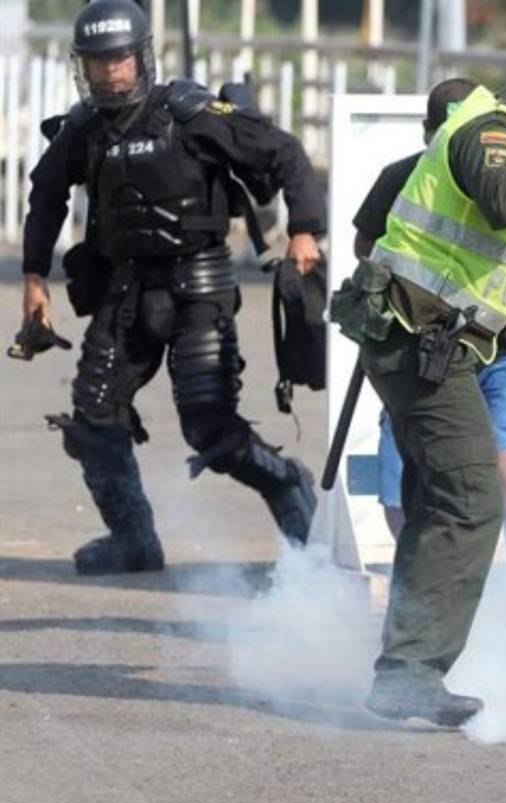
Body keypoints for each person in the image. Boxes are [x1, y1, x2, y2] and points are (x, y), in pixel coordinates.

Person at [330, 68, 506, 726]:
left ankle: (405, 666)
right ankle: (410, 672)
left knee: (438, 499)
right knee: (471, 496)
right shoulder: (490, 131)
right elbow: (504, 202)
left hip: (435, 344)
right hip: (413, 335)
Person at [19, 0, 324, 576]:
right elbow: (45, 194)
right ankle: (133, 539)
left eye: (119, 60)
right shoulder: (85, 127)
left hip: (198, 290)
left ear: (143, 57)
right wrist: (35, 277)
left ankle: (289, 491)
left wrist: (307, 229)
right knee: (94, 413)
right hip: (125, 290)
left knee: (209, 422)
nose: (109, 72)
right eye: (97, 62)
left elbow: (283, 153)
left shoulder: (191, 113)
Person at [352, 78, 506, 605]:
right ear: (435, 133)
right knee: (403, 477)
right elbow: (368, 243)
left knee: (505, 466)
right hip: (422, 342)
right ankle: (422, 600)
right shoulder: (407, 175)